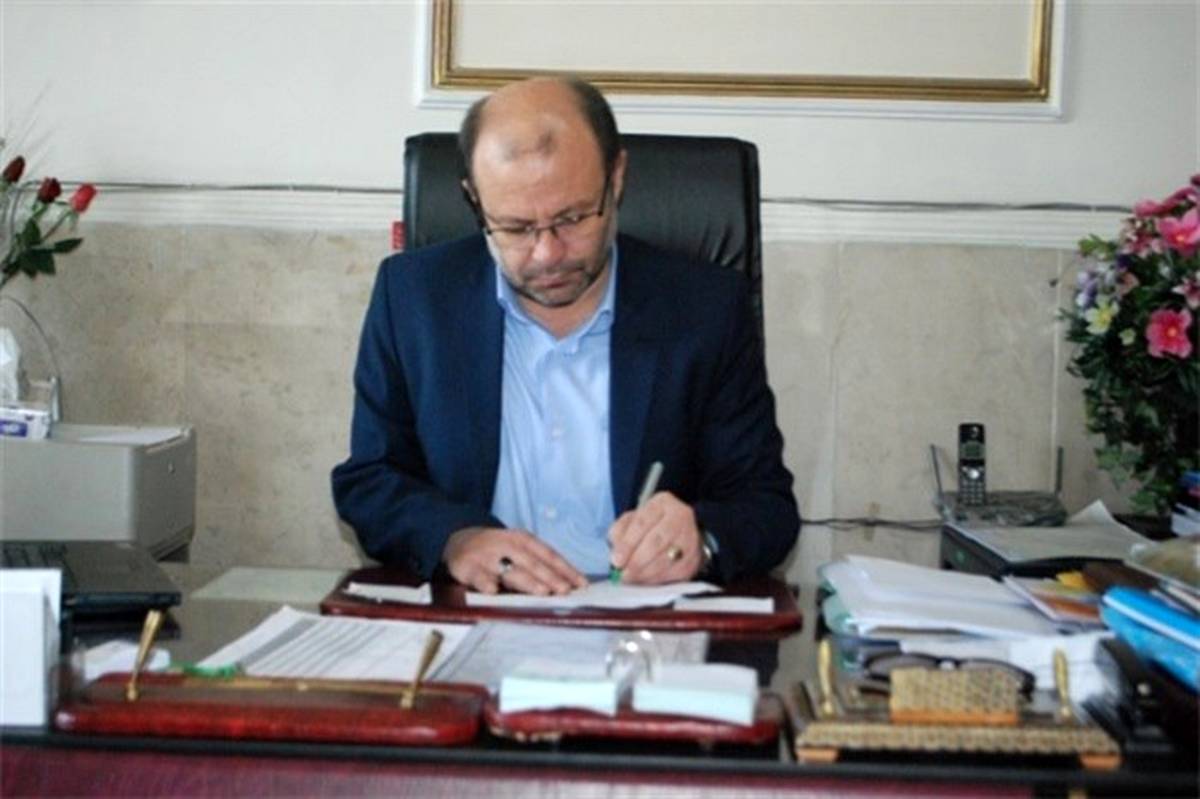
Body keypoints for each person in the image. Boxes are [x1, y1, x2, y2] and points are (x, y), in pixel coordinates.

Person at [331, 76, 799, 595]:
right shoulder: (413, 300)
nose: (547, 254)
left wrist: (702, 539)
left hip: (644, 622)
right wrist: (455, 540)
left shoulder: (704, 308)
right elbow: (370, 480)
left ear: (615, 179)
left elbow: (766, 505)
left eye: (572, 218)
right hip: (478, 612)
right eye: (515, 227)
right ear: (474, 198)